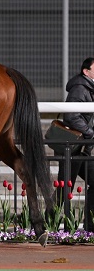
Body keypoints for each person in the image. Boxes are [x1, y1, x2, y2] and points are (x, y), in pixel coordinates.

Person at [57, 57, 94, 232]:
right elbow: (71, 116)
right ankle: (49, 226)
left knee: (65, 188)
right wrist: (90, 133)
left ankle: (89, 227)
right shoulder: (80, 88)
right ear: (86, 71)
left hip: (81, 148)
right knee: (64, 189)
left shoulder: (88, 88)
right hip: (72, 147)